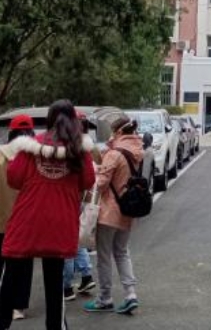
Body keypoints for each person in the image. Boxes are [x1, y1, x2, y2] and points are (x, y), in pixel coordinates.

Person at [0, 100, 95, 330]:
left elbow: (14, 178)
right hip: (60, 223)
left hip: (27, 220)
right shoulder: (79, 151)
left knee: (9, 281)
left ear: (49, 119)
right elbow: (88, 181)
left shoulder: (30, 146)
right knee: (55, 285)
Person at [83, 115, 144, 315]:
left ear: (117, 132)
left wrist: (96, 172)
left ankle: (105, 298)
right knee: (122, 252)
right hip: (128, 209)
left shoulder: (114, 153)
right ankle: (130, 294)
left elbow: (101, 184)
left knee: (104, 256)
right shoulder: (137, 151)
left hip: (109, 211)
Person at [0, 114, 34, 323]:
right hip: (27, 218)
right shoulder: (36, 155)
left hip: (1, 218)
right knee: (24, 263)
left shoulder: (2, 153)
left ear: (11, 132)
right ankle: (18, 306)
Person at [64, 112, 97, 302]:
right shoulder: (90, 144)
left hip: (70, 198)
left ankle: (66, 286)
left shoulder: (71, 145)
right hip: (85, 197)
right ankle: (86, 276)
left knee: (66, 242)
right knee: (76, 238)